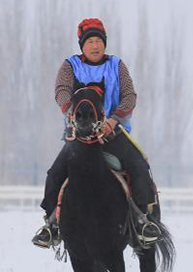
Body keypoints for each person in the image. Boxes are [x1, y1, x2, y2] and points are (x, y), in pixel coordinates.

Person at [32, 18, 160, 249]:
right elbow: (61, 91)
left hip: (113, 134)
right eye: (90, 41)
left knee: (140, 167)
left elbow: (130, 95)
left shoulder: (116, 65)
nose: (95, 46)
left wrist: (113, 120)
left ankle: (143, 221)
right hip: (77, 137)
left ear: (105, 43)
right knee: (54, 175)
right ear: (82, 45)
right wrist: (72, 114)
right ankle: (52, 225)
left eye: (98, 41)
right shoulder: (69, 66)